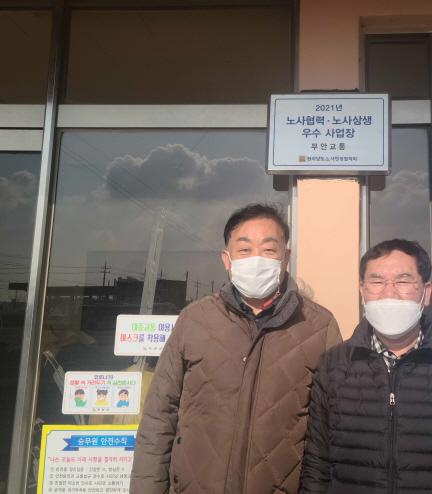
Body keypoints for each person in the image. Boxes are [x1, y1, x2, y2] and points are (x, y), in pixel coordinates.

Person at [130, 204, 342, 494]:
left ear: (286, 258)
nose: (256, 259)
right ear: (226, 259)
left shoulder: (318, 326)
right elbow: (159, 417)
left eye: (269, 250)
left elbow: (329, 429)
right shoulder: (194, 320)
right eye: (244, 250)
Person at [300, 239, 432, 493]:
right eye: (377, 282)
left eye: (403, 281)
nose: (389, 293)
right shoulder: (334, 366)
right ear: (362, 291)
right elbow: (316, 468)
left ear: (426, 292)